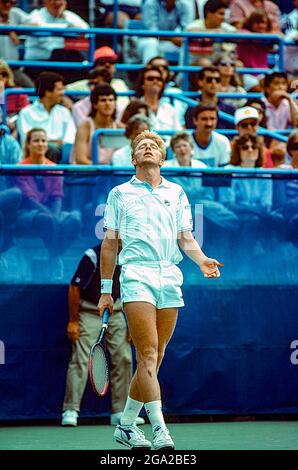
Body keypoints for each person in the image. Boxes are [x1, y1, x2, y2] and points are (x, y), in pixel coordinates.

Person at [98, 130, 223, 450]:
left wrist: (202, 260)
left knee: (156, 357)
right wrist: (106, 289)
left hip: (170, 275)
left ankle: (126, 425)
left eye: (154, 146)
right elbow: (110, 243)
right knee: (149, 353)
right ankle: (160, 431)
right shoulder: (119, 194)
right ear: (133, 158)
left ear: (162, 157)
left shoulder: (177, 192)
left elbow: (186, 238)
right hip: (137, 274)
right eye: (142, 146)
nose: (148, 148)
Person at [61, 244, 145, 426]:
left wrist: (131, 324)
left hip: (115, 311)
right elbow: (74, 288)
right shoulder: (92, 256)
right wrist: (73, 321)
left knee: (124, 358)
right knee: (81, 359)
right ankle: (70, 410)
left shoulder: (131, 255)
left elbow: (131, 290)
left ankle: (120, 412)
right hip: (89, 311)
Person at [15, 128, 81, 280]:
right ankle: (55, 260)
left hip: (51, 211)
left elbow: (57, 196)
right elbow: (28, 199)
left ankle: (53, 255)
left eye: (43, 140)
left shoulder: (53, 167)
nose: (40, 144)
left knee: (74, 221)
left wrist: (55, 216)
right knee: (46, 220)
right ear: (28, 144)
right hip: (26, 213)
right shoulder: (20, 167)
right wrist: (51, 216)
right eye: (36, 140)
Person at [17, 71, 76, 163]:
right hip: (36, 155)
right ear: (48, 92)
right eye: (59, 90)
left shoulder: (64, 112)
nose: (63, 93)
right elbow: (27, 140)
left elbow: (70, 138)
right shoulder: (26, 113)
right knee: (50, 148)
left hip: (62, 153)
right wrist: (50, 142)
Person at [72, 84, 122, 165]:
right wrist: (102, 170)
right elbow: (81, 159)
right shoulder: (85, 126)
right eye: (103, 100)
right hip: (86, 174)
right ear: (95, 105)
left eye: (111, 100)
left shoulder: (120, 127)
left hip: (112, 174)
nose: (108, 103)